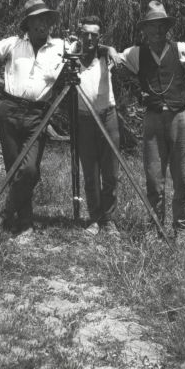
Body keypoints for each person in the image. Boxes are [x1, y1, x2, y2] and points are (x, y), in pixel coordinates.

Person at [112, 0, 185, 240]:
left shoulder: (180, 49)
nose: (157, 31)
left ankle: (183, 230)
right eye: (152, 26)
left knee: (182, 178)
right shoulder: (136, 53)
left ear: (167, 28)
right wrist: (137, 87)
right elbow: (116, 63)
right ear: (144, 30)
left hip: (180, 118)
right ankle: (154, 229)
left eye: (161, 26)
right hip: (153, 119)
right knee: (154, 178)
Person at [0, 0, 63, 242]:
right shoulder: (14, 44)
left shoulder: (60, 47)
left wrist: (106, 50)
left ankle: (3, 216)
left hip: (38, 115)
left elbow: (89, 48)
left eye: (45, 19)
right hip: (9, 111)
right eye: (35, 20)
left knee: (30, 171)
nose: (41, 24)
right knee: (15, 169)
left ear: (50, 23)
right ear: (27, 25)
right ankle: (25, 223)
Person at [76, 16, 120, 237]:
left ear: (99, 37)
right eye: (86, 34)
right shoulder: (72, 58)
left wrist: (109, 48)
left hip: (107, 116)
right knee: (90, 172)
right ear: (80, 34)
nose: (90, 38)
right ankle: (94, 218)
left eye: (94, 34)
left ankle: (109, 220)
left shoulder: (105, 56)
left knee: (111, 171)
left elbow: (109, 51)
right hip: (84, 120)